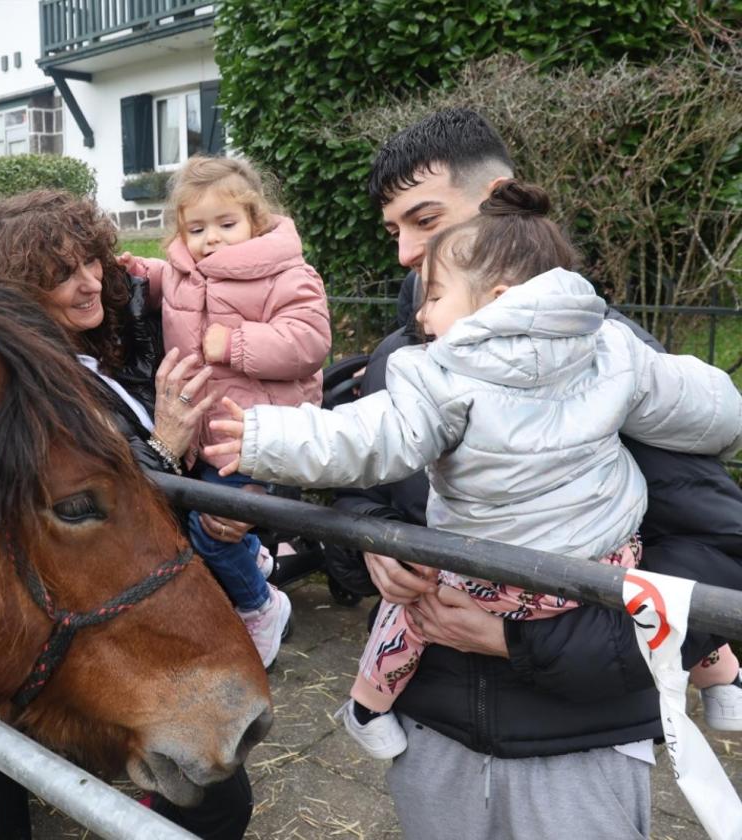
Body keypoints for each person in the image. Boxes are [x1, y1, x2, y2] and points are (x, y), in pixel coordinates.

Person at [276, 107, 742, 839]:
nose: (403, 253)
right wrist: (374, 543)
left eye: (423, 219)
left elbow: (714, 569)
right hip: (430, 737)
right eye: (393, 228)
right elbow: (361, 499)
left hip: (576, 751)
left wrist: (521, 643)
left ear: (500, 197)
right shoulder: (402, 359)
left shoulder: (608, 359)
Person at [0, 188, 255, 840]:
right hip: (108, 614)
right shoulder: (32, 386)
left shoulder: (101, 345)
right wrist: (167, 448)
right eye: (63, 274)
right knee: (217, 800)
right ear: (20, 291)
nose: (91, 281)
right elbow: (88, 510)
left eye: (92, 260)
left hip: (154, 590)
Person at [118, 156, 331, 668]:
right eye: (197, 228)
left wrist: (234, 343)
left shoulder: (286, 275)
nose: (211, 238)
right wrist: (139, 274)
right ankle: (253, 558)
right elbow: (169, 282)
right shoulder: (187, 273)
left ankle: (262, 608)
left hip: (261, 437)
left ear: (255, 220)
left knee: (212, 534)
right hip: (210, 437)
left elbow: (309, 340)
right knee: (202, 518)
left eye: (226, 224)